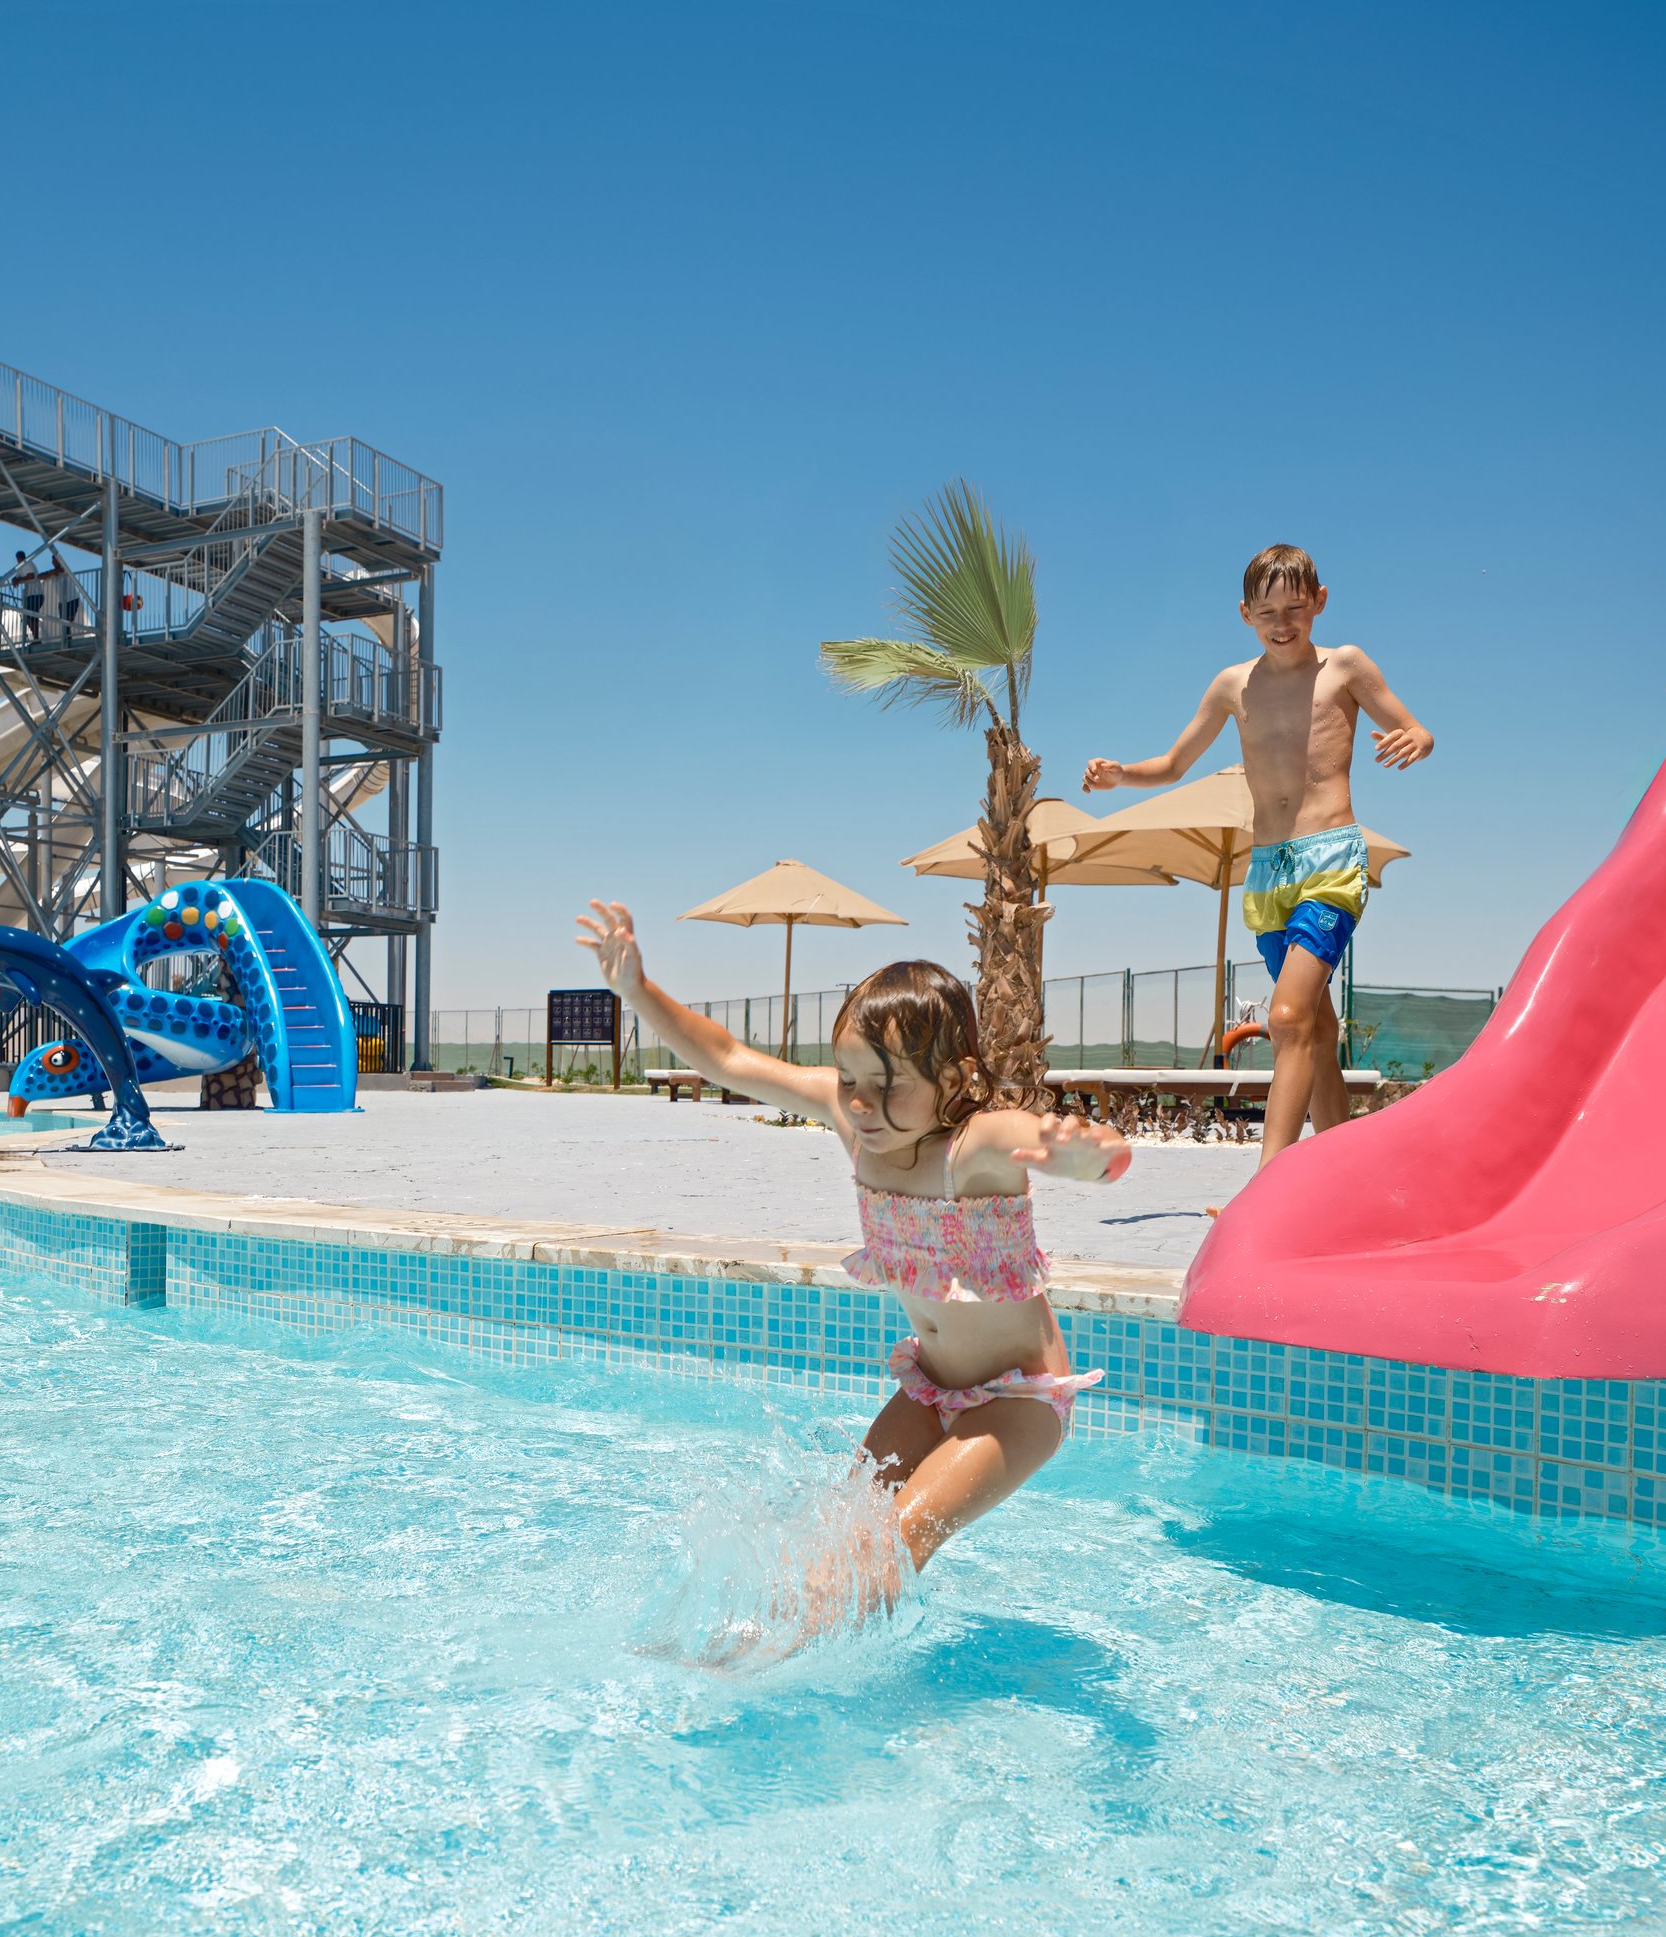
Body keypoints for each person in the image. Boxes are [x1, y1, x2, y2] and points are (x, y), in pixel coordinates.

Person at [574, 907, 1129, 1645]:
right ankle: (768, 1643)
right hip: (929, 1389)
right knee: (837, 1536)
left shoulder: (975, 1146)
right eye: (849, 1079)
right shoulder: (854, 1122)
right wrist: (639, 992)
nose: (862, 1103)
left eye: (888, 1084)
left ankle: (769, 1668)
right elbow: (730, 1059)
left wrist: (1088, 1154)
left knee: (888, 1542)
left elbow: (1046, 1143)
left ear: (954, 1078)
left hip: (1018, 1404)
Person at [1084, 543, 1433, 1169]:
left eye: (1295, 606)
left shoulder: (1345, 667)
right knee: (1317, 1034)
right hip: (1268, 870)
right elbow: (1171, 764)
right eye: (1268, 611)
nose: (1282, 622)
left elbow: (1417, 728)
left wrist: (1417, 739)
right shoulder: (1231, 685)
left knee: (1289, 1017)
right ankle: (1334, 1179)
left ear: (1319, 602)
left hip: (1330, 859)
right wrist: (1120, 777)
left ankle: (1271, 1181)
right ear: (1245, 614)